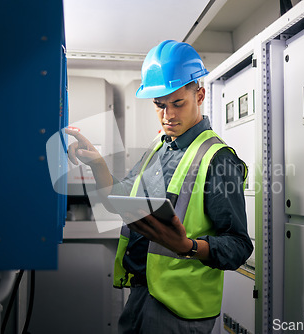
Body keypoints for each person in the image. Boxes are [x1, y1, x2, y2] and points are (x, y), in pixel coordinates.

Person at [66, 40, 253, 334]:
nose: (168, 116)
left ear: (199, 95)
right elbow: (121, 200)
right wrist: (97, 165)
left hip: (180, 308)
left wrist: (186, 247)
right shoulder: (160, 146)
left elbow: (240, 246)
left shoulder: (217, 159)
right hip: (143, 290)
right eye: (159, 105)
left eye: (178, 103)